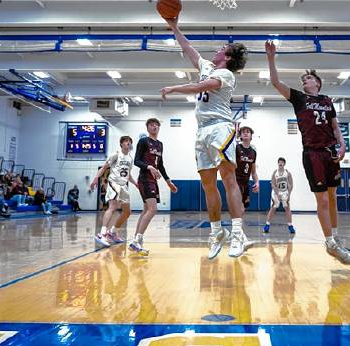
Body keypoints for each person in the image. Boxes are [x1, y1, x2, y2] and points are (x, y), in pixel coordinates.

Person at [161, 17, 249, 259]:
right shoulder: (207, 66)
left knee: (228, 178)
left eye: (223, 48)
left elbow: (204, 87)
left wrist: (174, 88)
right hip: (201, 131)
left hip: (221, 128)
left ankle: (238, 232)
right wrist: (174, 27)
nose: (218, 49)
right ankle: (217, 231)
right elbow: (188, 48)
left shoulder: (226, 75)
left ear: (228, 57)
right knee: (207, 183)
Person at [265, 40, 350, 264]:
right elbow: (275, 82)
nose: (305, 80)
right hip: (312, 153)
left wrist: (343, 145)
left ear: (318, 83)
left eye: (309, 78)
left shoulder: (326, 101)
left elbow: (335, 127)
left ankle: (336, 237)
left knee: (332, 197)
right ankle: (329, 242)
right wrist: (271, 58)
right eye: (303, 79)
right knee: (322, 200)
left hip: (331, 151)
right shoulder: (299, 98)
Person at [129, 119, 177, 256]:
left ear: (159, 127)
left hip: (154, 180)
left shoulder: (160, 144)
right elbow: (137, 160)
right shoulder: (143, 141)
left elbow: (160, 165)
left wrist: (168, 181)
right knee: (152, 209)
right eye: (151, 124)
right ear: (147, 127)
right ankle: (137, 240)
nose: (154, 126)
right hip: (145, 179)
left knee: (146, 210)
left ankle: (135, 241)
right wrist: (149, 167)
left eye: (156, 124)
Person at [90, 136, 137, 247]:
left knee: (127, 212)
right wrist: (95, 179)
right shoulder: (116, 154)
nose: (128, 143)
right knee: (112, 207)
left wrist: (135, 183)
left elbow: (128, 174)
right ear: (121, 144)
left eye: (130, 142)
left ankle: (113, 232)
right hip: (114, 183)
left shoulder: (130, 158)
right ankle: (102, 234)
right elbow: (104, 167)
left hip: (124, 186)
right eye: (126, 141)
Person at [263, 157, 295, 234]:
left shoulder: (288, 173)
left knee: (287, 208)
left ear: (284, 164)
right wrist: (277, 193)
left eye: (282, 162)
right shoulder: (275, 173)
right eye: (279, 162)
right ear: (278, 163)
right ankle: (267, 225)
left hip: (285, 192)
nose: (280, 163)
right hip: (276, 192)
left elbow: (291, 184)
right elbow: (273, 184)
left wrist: (289, 194)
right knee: (273, 208)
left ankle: (290, 226)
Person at [235, 126, 259, 213]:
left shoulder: (253, 152)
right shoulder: (236, 148)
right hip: (236, 182)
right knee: (238, 206)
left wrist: (257, 182)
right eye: (243, 132)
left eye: (248, 131)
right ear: (240, 136)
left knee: (244, 208)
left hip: (246, 183)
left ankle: (238, 225)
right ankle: (237, 225)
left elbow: (254, 172)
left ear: (251, 136)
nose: (245, 133)